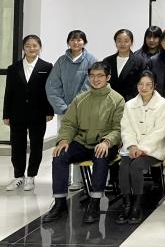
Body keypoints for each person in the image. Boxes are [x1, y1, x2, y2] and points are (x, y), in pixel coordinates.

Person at [42, 62, 124, 224]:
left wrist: (107, 142)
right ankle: (59, 203)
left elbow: (119, 128)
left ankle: (94, 203)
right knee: (60, 155)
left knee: (100, 156)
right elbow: (69, 123)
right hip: (82, 143)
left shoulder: (117, 99)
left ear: (108, 77)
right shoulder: (80, 99)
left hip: (105, 144)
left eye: (100, 76)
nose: (95, 79)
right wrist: (64, 139)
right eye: (92, 76)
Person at [46, 29, 97, 191]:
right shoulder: (61, 61)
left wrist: (75, 107)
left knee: (79, 143)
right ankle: (64, 177)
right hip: (64, 112)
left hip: (83, 111)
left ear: (84, 42)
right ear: (68, 42)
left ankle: (79, 179)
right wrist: (63, 107)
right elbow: (52, 86)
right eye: (73, 40)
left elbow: (90, 85)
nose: (76, 42)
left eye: (80, 40)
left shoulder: (91, 60)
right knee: (63, 142)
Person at [117, 70, 165, 224]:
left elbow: (160, 132)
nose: (144, 88)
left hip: (153, 149)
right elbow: (126, 129)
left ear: (154, 86)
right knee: (124, 166)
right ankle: (126, 204)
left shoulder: (162, 104)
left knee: (136, 166)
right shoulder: (129, 105)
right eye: (141, 84)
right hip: (132, 148)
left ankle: (137, 205)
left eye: (148, 84)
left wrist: (142, 148)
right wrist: (132, 145)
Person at [4, 35, 53, 192]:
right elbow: (8, 92)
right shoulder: (13, 68)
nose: (31, 48)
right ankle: (19, 176)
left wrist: (49, 111)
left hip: (38, 113)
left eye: (35, 45)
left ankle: (31, 176)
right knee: (17, 145)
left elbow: (49, 91)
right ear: (23, 48)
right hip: (17, 113)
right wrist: (6, 114)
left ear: (40, 47)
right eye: (28, 46)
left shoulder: (47, 67)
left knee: (36, 145)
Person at [103, 29, 146, 101]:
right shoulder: (107, 61)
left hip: (131, 101)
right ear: (115, 42)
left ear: (131, 42)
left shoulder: (139, 61)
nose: (122, 44)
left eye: (126, 41)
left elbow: (143, 83)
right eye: (119, 41)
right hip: (110, 101)